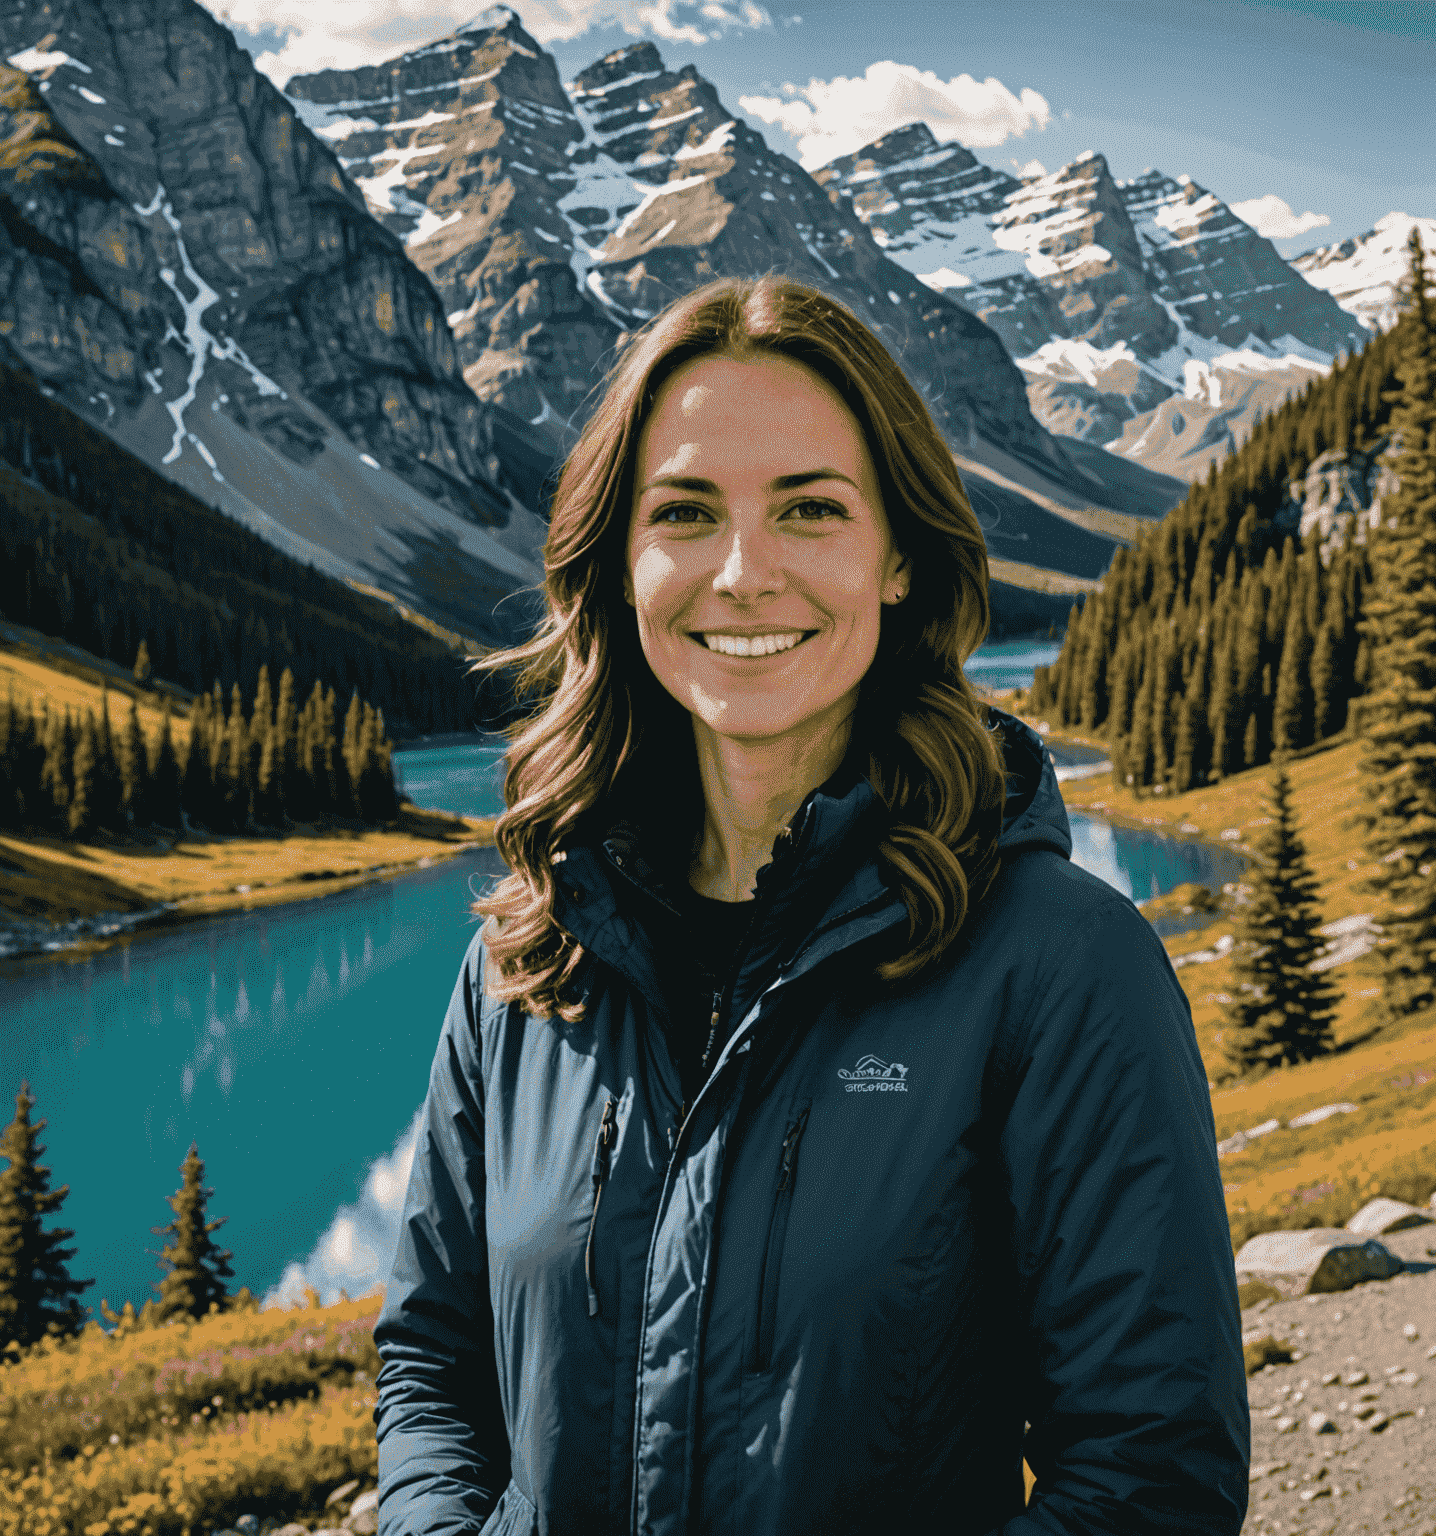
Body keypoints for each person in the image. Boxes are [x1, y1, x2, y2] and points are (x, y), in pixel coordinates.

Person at [372, 276, 1249, 1536]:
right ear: (621, 562)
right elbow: (432, 1369)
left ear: (898, 558)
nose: (743, 573)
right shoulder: (528, 955)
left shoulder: (1061, 963)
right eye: (683, 512)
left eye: (810, 510)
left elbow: (1153, 1478)